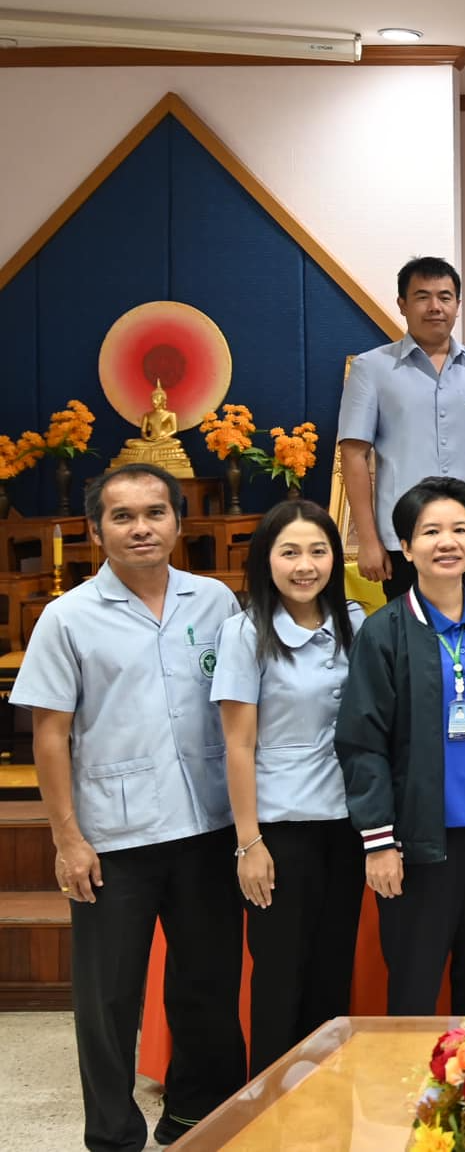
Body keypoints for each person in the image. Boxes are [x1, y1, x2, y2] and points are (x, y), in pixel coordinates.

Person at [14, 463, 245, 1151]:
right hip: (114, 836)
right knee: (109, 1001)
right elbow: (49, 736)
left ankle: (194, 1117)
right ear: (95, 530)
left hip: (206, 825)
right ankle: (114, 1135)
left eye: (154, 512)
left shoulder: (215, 603)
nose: (141, 527)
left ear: (178, 521)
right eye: (122, 516)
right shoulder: (67, 617)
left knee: (206, 987)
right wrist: (67, 839)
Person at [336, 476, 465, 1017]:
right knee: (415, 992)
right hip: (419, 844)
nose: (448, 542)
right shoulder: (384, 631)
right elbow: (360, 742)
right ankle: (412, 1101)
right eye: (431, 531)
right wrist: (379, 842)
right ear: (406, 546)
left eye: (460, 529)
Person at [212, 499, 366, 1077]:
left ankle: (324, 1115)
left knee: (331, 976)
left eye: (318, 550)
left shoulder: (355, 624)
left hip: (344, 827)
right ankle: (271, 1117)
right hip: (280, 829)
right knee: (280, 980)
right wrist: (248, 843)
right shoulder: (245, 632)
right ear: (266, 560)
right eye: (290, 552)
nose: (306, 565)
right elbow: (237, 745)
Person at [338, 257, 465, 602]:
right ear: (402, 304)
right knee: (413, 642)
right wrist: (369, 542)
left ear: (458, 305)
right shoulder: (371, 368)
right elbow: (354, 455)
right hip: (404, 539)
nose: (435, 307)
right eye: (422, 297)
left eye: (445, 297)